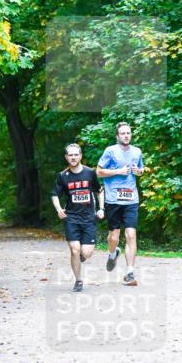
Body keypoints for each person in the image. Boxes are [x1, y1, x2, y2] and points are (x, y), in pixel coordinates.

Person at [96, 122, 145, 286]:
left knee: (131, 234)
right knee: (114, 237)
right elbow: (99, 172)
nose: (126, 135)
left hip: (131, 200)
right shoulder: (110, 151)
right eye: (123, 133)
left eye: (128, 133)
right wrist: (118, 171)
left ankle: (130, 272)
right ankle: (112, 253)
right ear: (117, 136)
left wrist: (139, 171)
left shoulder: (137, 151)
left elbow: (140, 169)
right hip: (113, 199)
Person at [51, 143, 105, 292]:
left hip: (88, 218)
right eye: (70, 155)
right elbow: (55, 195)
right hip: (71, 218)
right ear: (66, 157)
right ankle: (78, 280)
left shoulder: (90, 173)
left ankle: (81, 256)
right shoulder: (62, 176)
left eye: (76, 154)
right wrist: (58, 209)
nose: (73, 157)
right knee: (74, 250)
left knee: (86, 253)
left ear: (80, 156)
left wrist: (101, 209)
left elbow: (99, 190)